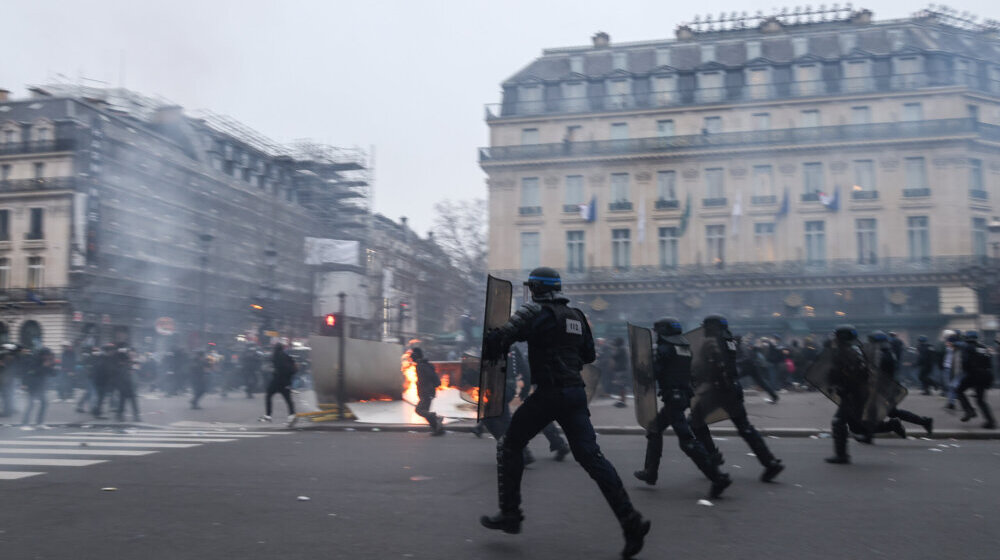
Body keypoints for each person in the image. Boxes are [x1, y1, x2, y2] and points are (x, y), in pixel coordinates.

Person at [479, 267, 649, 558]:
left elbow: (501, 340)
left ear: (534, 288)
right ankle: (631, 521)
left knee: (510, 445)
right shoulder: (577, 317)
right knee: (592, 457)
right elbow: (589, 355)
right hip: (574, 393)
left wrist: (493, 334)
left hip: (549, 393)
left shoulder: (534, 312)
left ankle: (511, 515)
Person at [633, 317, 732, 499]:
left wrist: (640, 370)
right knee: (655, 430)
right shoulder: (685, 348)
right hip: (684, 395)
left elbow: (653, 372)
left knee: (687, 441)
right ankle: (650, 472)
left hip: (673, 397)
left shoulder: (664, 349)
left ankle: (718, 477)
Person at [689, 315, 784, 483]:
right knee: (745, 428)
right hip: (732, 388)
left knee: (695, 422)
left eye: (706, 327)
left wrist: (697, 374)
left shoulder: (711, 342)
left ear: (711, 327)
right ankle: (769, 462)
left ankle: (712, 457)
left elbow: (711, 365)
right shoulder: (729, 340)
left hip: (717, 389)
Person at [854, 331, 931, 443]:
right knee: (890, 412)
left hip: (882, 389)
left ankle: (870, 435)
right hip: (886, 388)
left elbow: (877, 373)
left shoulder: (882, 355)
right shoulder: (887, 352)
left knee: (872, 411)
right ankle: (923, 422)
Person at [825, 325, 872, 464]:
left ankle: (842, 455)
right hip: (856, 392)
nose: (834, 339)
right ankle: (867, 432)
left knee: (838, 421)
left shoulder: (846, 352)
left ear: (842, 337)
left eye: (836, 336)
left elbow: (847, 373)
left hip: (853, 392)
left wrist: (837, 384)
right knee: (853, 423)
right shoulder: (855, 349)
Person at [956, 331, 996, 429]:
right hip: (986, 375)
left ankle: (969, 410)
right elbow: (990, 363)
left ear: (966, 338)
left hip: (973, 374)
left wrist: (965, 373)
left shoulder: (966, 347)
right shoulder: (984, 347)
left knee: (958, 391)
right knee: (980, 400)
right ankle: (991, 422)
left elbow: (965, 363)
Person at [260, 343, 297, 426]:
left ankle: (268, 414)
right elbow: (294, 369)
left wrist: (274, 372)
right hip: (286, 382)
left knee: (268, 395)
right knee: (288, 399)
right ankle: (292, 415)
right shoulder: (287, 356)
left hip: (277, 381)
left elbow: (274, 367)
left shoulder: (276, 356)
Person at [411, 347, 444, 435]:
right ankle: (438, 430)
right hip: (427, 392)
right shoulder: (423, 364)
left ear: (416, 355)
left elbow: (426, 379)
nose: (411, 357)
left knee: (419, 410)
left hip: (426, 392)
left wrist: (423, 390)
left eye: (413, 354)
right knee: (425, 411)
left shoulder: (421, 366)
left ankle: (436, 418)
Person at [21, 348, 55, 427]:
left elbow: (53, 374)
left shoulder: (47, 361)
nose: (48, 357)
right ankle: (25, 423)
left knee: (44, 403)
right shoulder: (33, 360)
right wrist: (44, 366)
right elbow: (32, 372)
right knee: (31, 404)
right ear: (43, 355)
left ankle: (39, 423)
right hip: (32, 385)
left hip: (41, 386)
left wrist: (51, 366)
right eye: (47, 356)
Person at [610, 337, 629, 408]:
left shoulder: (621, 349)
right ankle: (621, 400)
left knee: (621, 386)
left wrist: (613, 348)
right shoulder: (622, 348)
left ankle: (622, 401)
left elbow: (614, 356)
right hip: (621, 370)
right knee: (620, 386)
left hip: (621, 370)